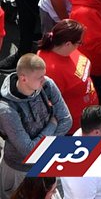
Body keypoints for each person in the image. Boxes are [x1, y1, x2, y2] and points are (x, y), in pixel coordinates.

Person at [0, 54, 72, 194]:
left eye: (44, 75)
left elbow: (66, 120)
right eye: (40, 77)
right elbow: (28, 151)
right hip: (19, 170)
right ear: (23, 79)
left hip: (46, 162)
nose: (44, 79)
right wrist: (52, 125)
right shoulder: (7, 109)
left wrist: (43, 149)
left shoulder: (47, 85)